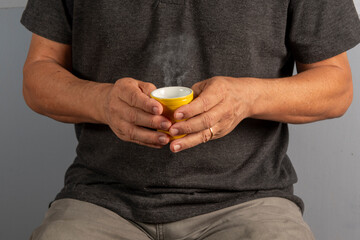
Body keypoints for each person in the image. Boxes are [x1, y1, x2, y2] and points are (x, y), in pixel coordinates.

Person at [21, 0, 359, 239]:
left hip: (249, 201)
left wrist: (247, 98)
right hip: (102, 199)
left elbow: (336, 86)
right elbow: (38, 76)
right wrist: (103, 101)